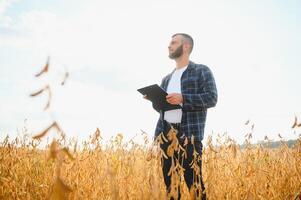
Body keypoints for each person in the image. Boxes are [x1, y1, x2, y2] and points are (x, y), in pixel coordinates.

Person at [151, 33, 218, 200]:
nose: (169, 45)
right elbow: (162, 110)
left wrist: (183, 98)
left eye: (174, 42)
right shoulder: (166, 78)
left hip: (189, 137)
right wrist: (155, 99)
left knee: (195, 186)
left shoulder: (201, 71)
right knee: (171, 189)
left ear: (186, 46)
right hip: (166, 136)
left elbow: (212, 98)